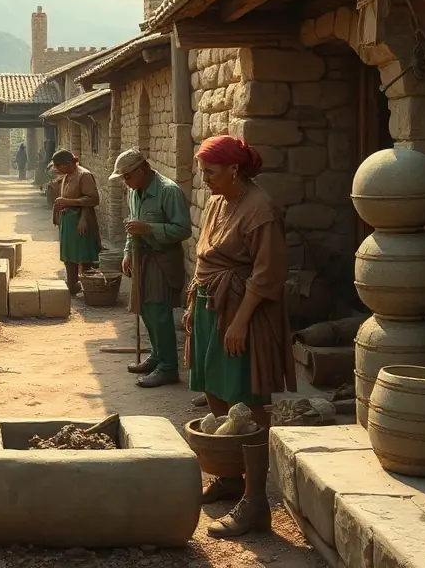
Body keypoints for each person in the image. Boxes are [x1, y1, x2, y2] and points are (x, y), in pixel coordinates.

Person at [186, 134, 295, 539]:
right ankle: (230, 478)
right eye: (202, 172)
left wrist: (240, 321)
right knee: (214, 389)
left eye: (210, 172)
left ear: (235, 169)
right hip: (211, 307)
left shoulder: (261, 210)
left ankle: (254, 504)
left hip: (242, 313)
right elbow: (206, 256)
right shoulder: (218, 200)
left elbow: (267, 275)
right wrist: (195, 307)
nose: (205, 180)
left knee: (246, 398)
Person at [112, 148, 191, 388]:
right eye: (123, 178)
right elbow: (131, 226)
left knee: (159, 313)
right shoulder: (134, 192)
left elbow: (183, 229)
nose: (125, 182)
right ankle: (157, 357)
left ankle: (168, 367)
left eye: (128, 176)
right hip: (141, 258)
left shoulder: (169, 191)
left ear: (142, 169)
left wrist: (149, 229)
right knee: (145, 310)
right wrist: (127, 253)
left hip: (162, 260)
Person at [51, 150, 102, 295]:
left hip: (80, 220)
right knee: (68, 255)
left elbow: (92, 199)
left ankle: (88, 286)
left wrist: (70, 203)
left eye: (60, 166)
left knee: (83, 255)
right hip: (68, 220)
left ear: (68, 164)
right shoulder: (68, 175)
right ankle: (72, 284)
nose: (58, 170)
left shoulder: (84, 175)